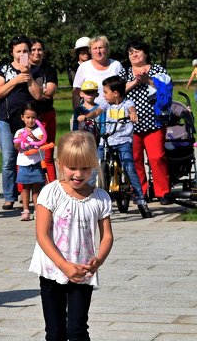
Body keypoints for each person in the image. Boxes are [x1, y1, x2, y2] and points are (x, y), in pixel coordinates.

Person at [28, 131, 114, 341]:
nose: (78, 174)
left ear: (95, 166)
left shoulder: (100, 198)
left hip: (82, 275)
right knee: (55, 335)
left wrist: (97, 261)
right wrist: (64, 265)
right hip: (53, 271)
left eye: (86, 168)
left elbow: (107, 237)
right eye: (72, 167)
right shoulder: (50, 192)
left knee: (77, 329)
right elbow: (42, 234)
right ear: (60, 163)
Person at [0, 37, 44, 211]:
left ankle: (33, 195)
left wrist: (28, 77)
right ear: (12, 53)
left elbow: (38, 96)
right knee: (9, 158)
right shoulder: (3, 70)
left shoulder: (36, 71)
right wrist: (15, 79)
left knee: (31, 157)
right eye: (18, 51)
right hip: (7, 120)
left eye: (25, 51)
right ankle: (9, 196)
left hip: (29, 123)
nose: (22, 54)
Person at [120, 40, 172, 204]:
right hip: (130, 124)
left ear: (146, 53)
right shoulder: (126, 73)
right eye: (130, 52)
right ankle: (140, 192)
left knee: (157, 158)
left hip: (154, 123)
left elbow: (166, 88)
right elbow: (118, 92)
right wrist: (135, 81)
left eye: (137, 51)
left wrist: (148, 80)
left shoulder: (157, 69)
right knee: (134, 159)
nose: (134, 55)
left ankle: (163, 192)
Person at [99, 76, 151, 218]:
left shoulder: (127, 103)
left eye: (105, 92)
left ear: (115, 93)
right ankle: (94, 197)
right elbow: (96, 111)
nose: (103, 95)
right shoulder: (106, 104)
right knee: (96, 166)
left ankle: (141, 200)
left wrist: (133, 114)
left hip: (123, 141)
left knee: (129, 168)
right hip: (107, 140)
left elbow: (132, 109)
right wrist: (87, 116)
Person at [29, 39, 59, 182]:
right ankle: (25, 191)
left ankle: (52, 187)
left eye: (39, 49)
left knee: (47, 155)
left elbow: (48, 93)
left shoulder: (49, 69)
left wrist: (36, 93)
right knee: (26, 154)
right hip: (28, 117)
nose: (36, 52)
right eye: (32, 49)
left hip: (46, 114)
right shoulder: (23, 69)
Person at [13, 104, 48, 221]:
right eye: (28, 117)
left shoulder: (39, 131)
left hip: (36, 163)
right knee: (25, 188)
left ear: (37, 118)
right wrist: (19, 140)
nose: (30, 120)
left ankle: (38, 211)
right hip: (24, 163)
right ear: (22, 117)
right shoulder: (19, 131)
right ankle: (26, 210)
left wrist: (33, 138)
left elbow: (42, 142)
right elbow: (17, 146)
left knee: (36, 189)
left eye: (33, 117)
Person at [71, 35, 122, 108]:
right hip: (90, 114)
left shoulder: (116, 65)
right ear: (90, 51)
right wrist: (77, 112)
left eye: (100, 48)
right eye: (95, 48)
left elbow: (123, 90)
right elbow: (76, 93)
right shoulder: (83, 67)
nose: (98, 51)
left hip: (114, 112)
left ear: (107, 49)